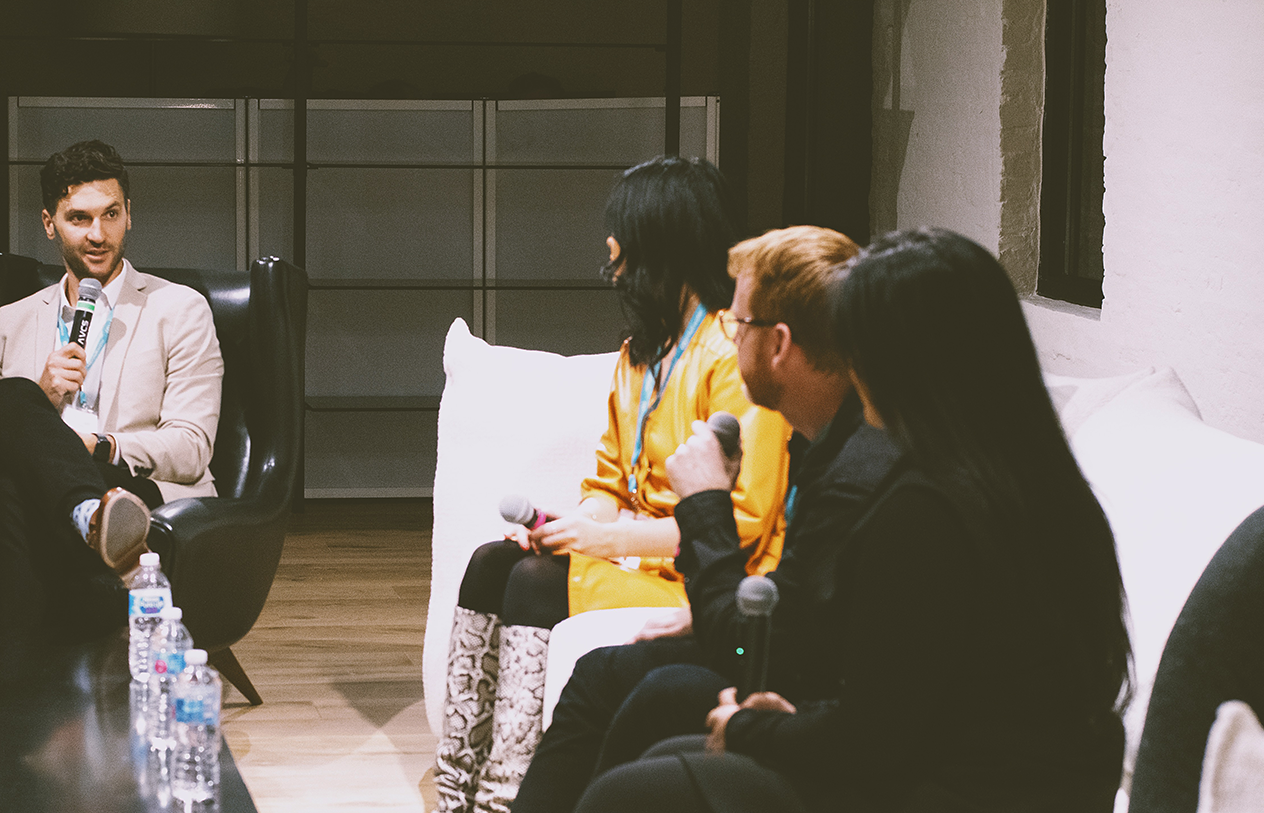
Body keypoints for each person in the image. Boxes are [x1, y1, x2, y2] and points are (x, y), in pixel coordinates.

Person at [571, 228, 1133, 813]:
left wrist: (749, 729)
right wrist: (792, 723)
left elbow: (873, 740)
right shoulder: (1039, 484)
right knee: (666, 744)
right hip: (1011, 780)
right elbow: (907, 702)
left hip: (950, 792)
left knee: (629, 791)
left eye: (856, 342)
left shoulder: (921, 507)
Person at [432, 157, 794, 813]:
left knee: (532, 582)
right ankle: (455, 785)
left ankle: (504, 793)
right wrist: (569, 526)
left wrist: (604, 536)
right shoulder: (639, 354)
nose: (612, 262)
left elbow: (738, 520)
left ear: (662, 245)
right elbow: (605, 478)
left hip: (697, 572)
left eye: (620, 245)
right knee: (494, 561)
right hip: (636, 556)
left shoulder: (726, 357)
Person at [0, 140, 223, 794]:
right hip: (78, 511)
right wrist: (40, 398)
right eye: (79, 218)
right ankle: (86, 516)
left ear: (129, 215)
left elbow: (192, 446)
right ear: (48, 223)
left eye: (111, 214)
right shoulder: (10, 322)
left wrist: (104, 450)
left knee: (23, 491)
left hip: (138, 490)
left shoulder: (179, 310)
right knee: (13, 404)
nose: (98, 234)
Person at [514, 225, 881, 812]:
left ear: (779, 344)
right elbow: (800, 599)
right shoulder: (820, 438)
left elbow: (776, 642)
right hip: (790, 660)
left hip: (810, 693)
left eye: (738, 327)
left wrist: (704, 501)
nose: (729, 340)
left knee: (652, 691)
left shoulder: (856, 468)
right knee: (608, 674)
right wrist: (701, 615)